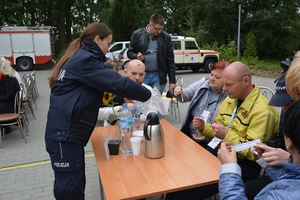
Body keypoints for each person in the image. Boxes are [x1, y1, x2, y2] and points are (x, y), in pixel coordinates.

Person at [45, 22, 151, 200]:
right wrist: (146, 94)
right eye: (108, 44)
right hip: (64, 135)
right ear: (97, 39)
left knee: (74, 183)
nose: (108, 49)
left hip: (66, 134)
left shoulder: (78, 57)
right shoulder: (85, 60)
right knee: (70, 189)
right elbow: (117, 82)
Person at [193, 61, 279, 181]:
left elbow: (254, 153)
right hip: (222, 152)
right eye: (224, 84)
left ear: (246, 81)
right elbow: (218, 133)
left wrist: (226, 135)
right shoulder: (230, 100)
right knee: (190, 170)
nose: (224, 88)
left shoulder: (263, 111)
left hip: (245, 163)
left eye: (229, 84)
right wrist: (204, 128)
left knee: (194, 185)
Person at [218, 99, 300, 199]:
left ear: (289, 143)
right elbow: (290, 181)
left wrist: (229, 168)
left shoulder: (280, 196)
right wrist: (264, 162)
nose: (225, 88)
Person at [244, 71, 293, 199]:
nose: (285, 108)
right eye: (282, 103)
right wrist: (267, 146)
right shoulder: (288, 112)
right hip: (287, 173)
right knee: (247, 189)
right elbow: (281, 139)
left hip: (291, 176)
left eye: (289, 102)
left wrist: (289, 160)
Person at [173, 60, 230, 145]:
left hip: (211, 141)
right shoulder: (204, 82)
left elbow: (226, 128)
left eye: (217, 77)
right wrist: (177, 91)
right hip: (189, 133)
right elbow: (185, 95)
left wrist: (207, 139)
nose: (212, 79)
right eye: (211, 74)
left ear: (227, 81)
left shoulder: (229, 96)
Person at [127, 13, 176, 94]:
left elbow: (170, 60)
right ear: (150, 25)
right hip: (141, 75)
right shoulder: (137, 34)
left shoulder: (166, 37)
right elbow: (129, 53)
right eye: (157, 29)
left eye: (161, 29)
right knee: (140, 100)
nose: (159, 32)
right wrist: (136, 56)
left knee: (156, 103)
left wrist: (172, 81)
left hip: (159, 75)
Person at [0, 58, 21, 134]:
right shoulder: (8, 76)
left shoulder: (8, 78)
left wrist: (1, 99)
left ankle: (5, 128)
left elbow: (10, 95)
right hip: (11, 103)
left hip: (11, 105)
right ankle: (4, 128)